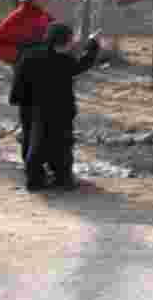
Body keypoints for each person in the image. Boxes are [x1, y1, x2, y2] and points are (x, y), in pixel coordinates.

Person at [10, 23, 101, 191]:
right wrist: (93, 45)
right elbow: (83, 64)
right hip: (59, 111)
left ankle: (35, 180)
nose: (72, 42)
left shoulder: (28, 56)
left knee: (32, 143)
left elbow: (18, 81)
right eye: (70, 39)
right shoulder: (64, 61)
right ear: (64, 41)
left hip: (31, 109)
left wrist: (17, 100)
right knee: (62, 145)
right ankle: (62, 178)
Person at [0, 0, 55, 163]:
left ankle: (46, 163)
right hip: (27, 79)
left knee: (47, 122)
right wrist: (19, 58)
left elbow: (55, 36)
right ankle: (32, 170)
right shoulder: (17, 18)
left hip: (46, 78)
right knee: (30, 124)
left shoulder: (44, 15)